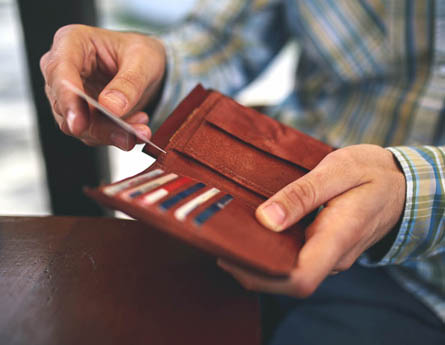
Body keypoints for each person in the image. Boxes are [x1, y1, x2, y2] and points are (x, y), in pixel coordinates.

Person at [40, 0, 445, 343]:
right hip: (255, 204)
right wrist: (154, 68)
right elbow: (226, 37)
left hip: (428, 284)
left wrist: (409, 191)